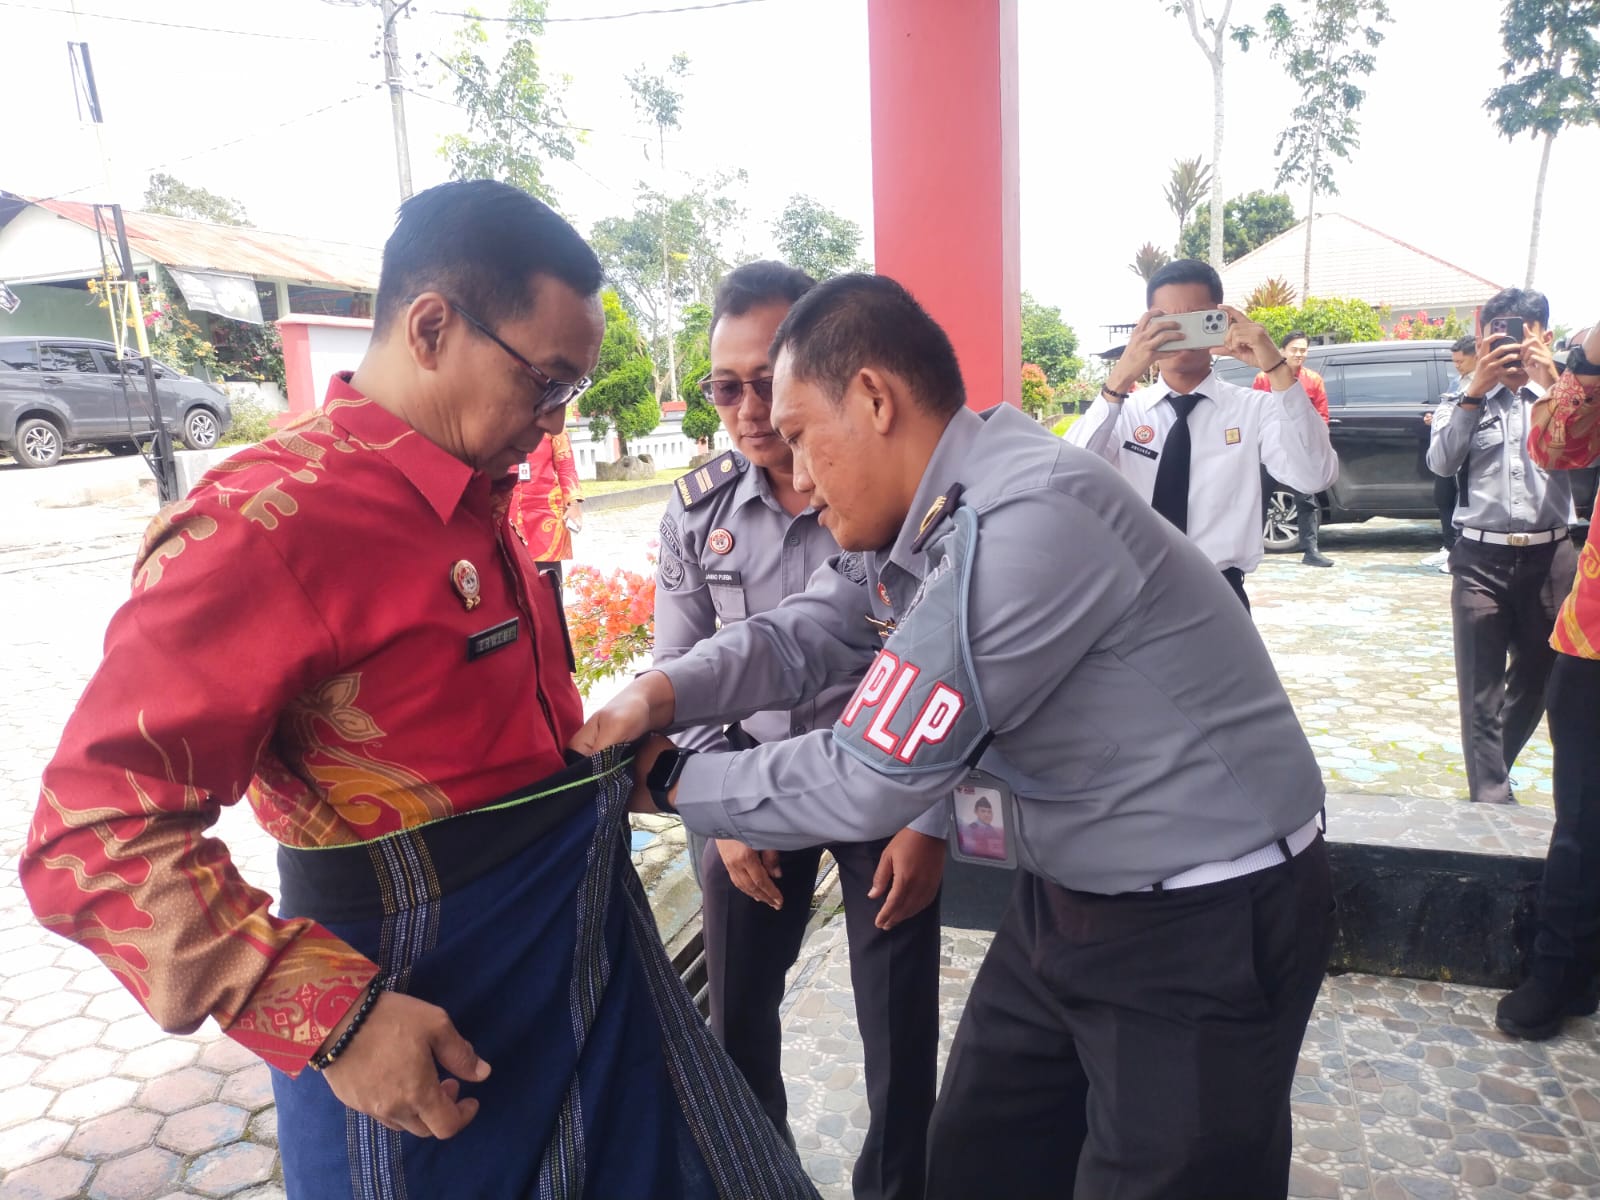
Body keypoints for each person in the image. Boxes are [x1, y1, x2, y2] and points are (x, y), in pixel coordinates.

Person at [19, 181, 815, 1200]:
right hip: (417, 1035)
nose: (554, 422)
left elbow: (505, 755)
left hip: (581, 975)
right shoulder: (266, 527)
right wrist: (333, 1021)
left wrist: (650, 768)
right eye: (547, 382)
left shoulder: (477, 495)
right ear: (432, 327)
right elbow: (90, 834)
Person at [574, 273, 1334, 1200]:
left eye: (803, 435)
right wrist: (657, 694)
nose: (798, 476)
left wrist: (668, 783)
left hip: (1207, 918)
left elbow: (868, 772)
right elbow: (808, 630)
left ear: (874, 399)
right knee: (973, 1163)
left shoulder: (1027, 519)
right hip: (1069, 895)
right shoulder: (939, 510)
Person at [654, 261, 942, 1200]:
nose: (746, 411)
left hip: (884, 784)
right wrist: (722, 814)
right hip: (746, 781)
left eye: (763, 382)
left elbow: (954, 668)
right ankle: (758, 1180)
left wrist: (927, 817)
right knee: (738, 1019)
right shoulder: (700, 509)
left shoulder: (898, 497)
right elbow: (679, 664)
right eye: (723, 388)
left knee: (897, 1023)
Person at [1067, 259, 1339, 609]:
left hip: (1218, 594)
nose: (1180, 334)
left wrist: (1276, 368)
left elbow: (1314, 476)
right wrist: (1120, 376)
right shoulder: (1122, 411)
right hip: (1130, 596)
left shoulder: (1254, 409)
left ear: (1221, 319)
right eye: (1167, 322)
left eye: (1196, 320)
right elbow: (1066, 479)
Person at [1427, 287, 1578, 808]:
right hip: (1480, 559)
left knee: (1541, 679)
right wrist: (1475, 389)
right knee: (1480, 688)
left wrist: (1554, 382)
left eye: (1521, 337)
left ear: (1546, 338)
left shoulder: (1568, 397)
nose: (1510, 350)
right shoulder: (1460, 399)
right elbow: (1441, 462)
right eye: (1499, 339)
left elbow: (1587, 449)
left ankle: (1496, 769)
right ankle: (1490, 799)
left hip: (1552, 558)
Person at [1497, 318, 1600, 1040]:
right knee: (1583, 822)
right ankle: (1563, 972)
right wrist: (1586, 359)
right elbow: (1558, 447)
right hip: (1595, 638)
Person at [1252, 329, 1333, 567]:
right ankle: (1252, 548)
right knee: (1259, 498)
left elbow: (1322, 416)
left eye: (1303, 350)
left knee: (1306, 499)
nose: (1299, 354)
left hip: (1300, 449)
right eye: (1294, 349)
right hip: (1270, 448)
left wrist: (1314, 444)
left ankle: (1311, 550)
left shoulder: (1314, 380)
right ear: (1282, 351)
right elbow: (1256, 412)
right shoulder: (1263, 378)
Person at [1421, 336, 1480, 571]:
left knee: (1464, 502)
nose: (1457, 366)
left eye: (1461, 361)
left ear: (1477, 357)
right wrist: (1436, 417)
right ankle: (1449, 548)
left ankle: (1460, 553)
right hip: (1448, 448)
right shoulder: (1458, 382)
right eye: (1454, 361)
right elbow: (1447, 408)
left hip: (1471, 454)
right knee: (1443, 497)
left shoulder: (1487, 384)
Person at [509, 427, 583, 578]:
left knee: (547, 580)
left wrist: (573, 502)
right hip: (506, 511)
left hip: (545, 513)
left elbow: (566, 465)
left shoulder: (551, 421)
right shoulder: (497, 420)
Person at [957, 796, 1006, 861]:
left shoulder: (994, 830)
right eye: (983, 811)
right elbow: (966, 851)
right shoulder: (970, 828)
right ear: (976, 812)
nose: (987, 815)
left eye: (989, 812)